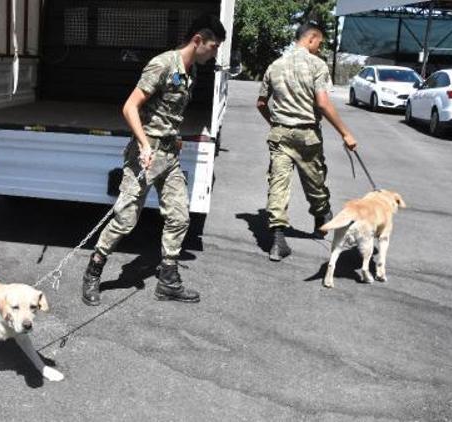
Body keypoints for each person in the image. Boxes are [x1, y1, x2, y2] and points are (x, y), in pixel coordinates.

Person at [80, 15, 226, 306]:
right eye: (213, 46)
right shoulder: (163, 64)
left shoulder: (190, 71)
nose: (214, 54)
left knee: (180, 217)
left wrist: (175, 136)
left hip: (170, 155)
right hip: (144, 155)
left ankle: (168, 281)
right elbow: (130, 107)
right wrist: (145, 145)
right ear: (197, 40)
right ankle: (93, 271)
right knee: (125, 220)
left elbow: (168, 113)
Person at [256, 21, 358, 262]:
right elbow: (323, 103)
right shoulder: (317, 65)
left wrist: (275, 123)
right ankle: (322, 214)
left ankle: (277, 240)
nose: (319, 49)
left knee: (277, 185)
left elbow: (261, 103)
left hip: (280, 134)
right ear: (311, 39)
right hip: (308, 135)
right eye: (319, 44)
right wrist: (346, 133)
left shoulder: (275, 65)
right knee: (314, 181)